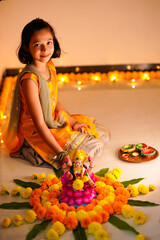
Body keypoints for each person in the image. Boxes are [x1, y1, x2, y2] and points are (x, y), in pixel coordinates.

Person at [4, 18, 110, 170]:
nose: (45, 49)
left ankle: (71, 148)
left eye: (49, 42)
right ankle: (30, 149)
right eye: (37, 45)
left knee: (102, 134)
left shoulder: (49, 66)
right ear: (27, 48)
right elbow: (40, 124)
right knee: (93, 147)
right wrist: (61, 155)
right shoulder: (30, 80)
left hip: (52, 119)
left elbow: (54, 101)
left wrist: (73, 122)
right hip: (37, 131)